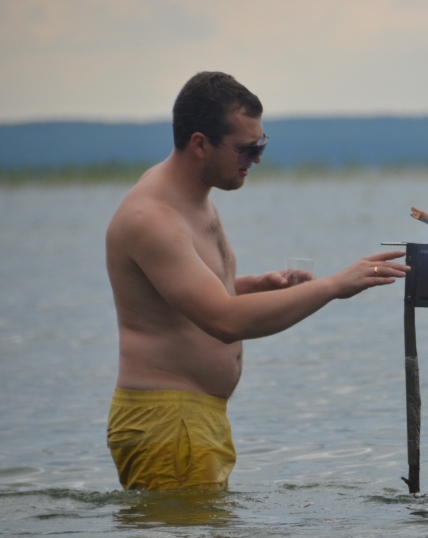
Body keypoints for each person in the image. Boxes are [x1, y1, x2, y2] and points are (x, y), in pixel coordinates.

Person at [105, 71, 408, 490]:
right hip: (169, 422)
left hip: (191, 419)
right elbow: (225, 321)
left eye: (262, 144)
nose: (258, 159)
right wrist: (336, 284)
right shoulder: (152, 217)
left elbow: (187, 299)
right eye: (246, 149)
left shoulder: (193, 198)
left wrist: (253, 285)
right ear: (199, 144)